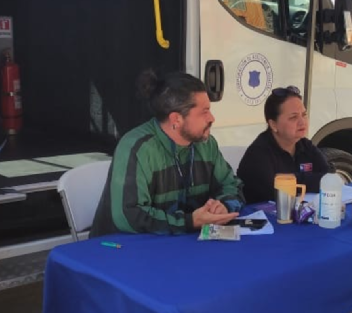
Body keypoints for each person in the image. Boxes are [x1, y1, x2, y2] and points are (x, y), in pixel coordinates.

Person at [90, 70, 243, 237]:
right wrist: (189, 221)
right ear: (176, 119)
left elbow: (231, 185)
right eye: (204, 111)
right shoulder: (137, 148)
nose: (212, 118)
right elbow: (128, 215)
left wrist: (224, 205)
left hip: (181, 244)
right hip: (124, 250)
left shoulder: (207, 144)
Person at [237, 85, 331, 204]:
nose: (302, 122)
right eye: (293, 117)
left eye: (304, 115)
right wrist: (310, 180)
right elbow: (276, 191)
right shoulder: (258, 153)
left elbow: (329, 178)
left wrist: (292, 179)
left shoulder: (304, 145)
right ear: (273, 125)